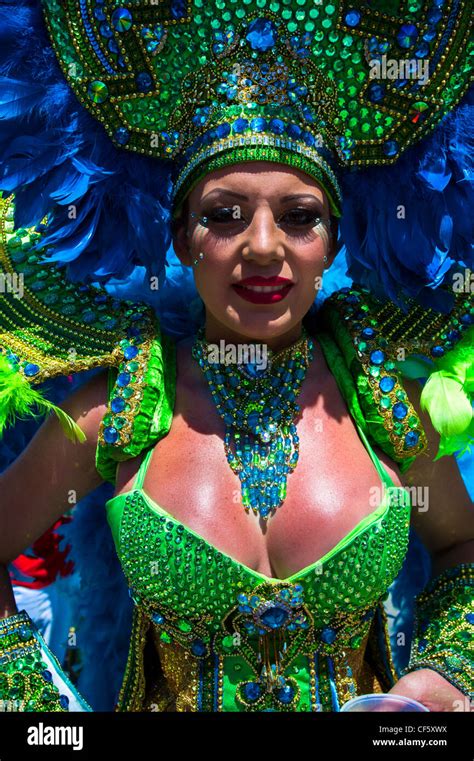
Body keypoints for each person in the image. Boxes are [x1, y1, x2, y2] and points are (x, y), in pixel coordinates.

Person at [0, 1, 472, 713]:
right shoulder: (125, 405)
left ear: (333, 245)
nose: (262, 246)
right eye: (223, 214)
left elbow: (463, 549)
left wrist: (441, 678)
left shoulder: (383, 404)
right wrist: (35, 710)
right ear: (185, 237)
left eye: (299, 216)